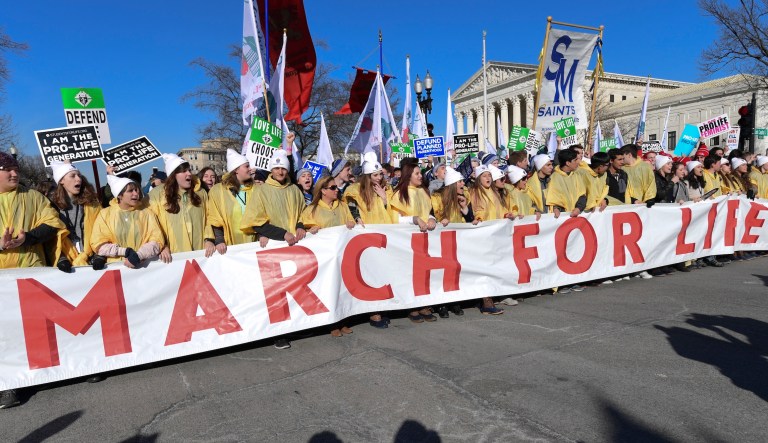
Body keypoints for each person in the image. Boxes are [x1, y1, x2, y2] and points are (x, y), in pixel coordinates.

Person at [0, 152, 66, 409]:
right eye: (7, 169)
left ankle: (43, 373)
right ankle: (8, 386)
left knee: (35, 329)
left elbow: (52, 224)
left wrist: (26, 238)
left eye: (16, 169)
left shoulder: (33, 197)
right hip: (1, 278)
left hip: (31, 271)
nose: (15, 173)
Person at [241, 149, 306, 350]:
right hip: (275, 245)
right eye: (276, 168)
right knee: (276, 291)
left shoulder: (294, 189)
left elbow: (303, 211)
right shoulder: (261, 190)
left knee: (295, 287)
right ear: (271, 169)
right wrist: (281, 234)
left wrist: (301, 225)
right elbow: (256, 221)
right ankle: (279, 333)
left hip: (294, 245)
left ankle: (296, 325)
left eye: (283, 168)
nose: (280, 171)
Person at [299, 175, 357, 337]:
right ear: (323, 191)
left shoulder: (343, 206)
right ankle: (332, 323)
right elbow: (305, 227)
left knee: (342, 288)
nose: (336, 189)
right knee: (328, 289)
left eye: (335, 187)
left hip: (342, 255)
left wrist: (351, 223)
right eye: (332, 188)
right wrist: (312, 229)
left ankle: (343, 319)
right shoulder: (312, 209)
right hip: (325, 259)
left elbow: (350, 222)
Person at [342, 153, 393, 327]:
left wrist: (385, 198)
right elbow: (350, 205)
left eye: (381, 174)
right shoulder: (355, 190)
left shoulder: (387, 189)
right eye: (375, 175)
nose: (379, 178)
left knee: (383, 272)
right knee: (370, 274)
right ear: (367, 176)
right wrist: (356, 218)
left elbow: (393, 210)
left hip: (385, 235)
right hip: (367, 236)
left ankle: (382, 307)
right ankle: (374, 313)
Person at [388, 161, 439, 323]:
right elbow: (395, 219)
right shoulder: (399, 194)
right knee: (408, 274)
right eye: (417, 173)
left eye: (420, 173)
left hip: (424, 239)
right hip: (406, 241)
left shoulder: (423, 191)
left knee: (423, 273)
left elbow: (428, 212)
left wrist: (431, 219)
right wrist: (414, 219)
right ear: (408, 176)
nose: (420, 176)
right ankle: (411, 306)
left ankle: (422, 302)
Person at [148, 154, 214, 263]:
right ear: (173, 175)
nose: (189, 173)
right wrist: (162, 245)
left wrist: (209, 239)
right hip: (172, 257)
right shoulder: (156, 195)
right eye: (184, 171)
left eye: (189, 170)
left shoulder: (200, 192)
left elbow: (209, 217)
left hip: (201, 254)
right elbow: (151, 224)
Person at [90, 174, 163, 269]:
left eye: (136, 190)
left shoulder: (147, 213)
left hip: (143, 267)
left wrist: (139, 255)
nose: (136, 194)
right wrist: (124, 251)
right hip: (116, 269)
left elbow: (157, 240)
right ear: (119, 195)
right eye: (130, 191)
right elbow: (98, 244)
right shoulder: (105, 214)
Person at [48, 161, 101, 270]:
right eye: (73, 176)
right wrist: (61, 258)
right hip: (66, 260)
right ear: (61, 180)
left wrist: (98, 255)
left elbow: (102, 230)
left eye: (79, 175)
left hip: (90, 258)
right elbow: (51, 239)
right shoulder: (51, 206)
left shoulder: (92, 204)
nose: (78, 179)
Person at [206, 150, 257, 252]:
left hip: (253, 244)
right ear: (236, 170)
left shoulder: (255, 188)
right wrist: (219, 240)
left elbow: (261, 216)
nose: (250, 169)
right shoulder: (218, 191)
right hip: (229, 247)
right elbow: (215, 218)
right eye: (246, 166)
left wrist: (261, 235)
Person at [548, 149, 587, 218]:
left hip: (577, 215)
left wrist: (578, 208)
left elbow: (582, 195)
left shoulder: (576, 175)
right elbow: (554, 199)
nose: (578, 162)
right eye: (575, 160)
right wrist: (557, 209)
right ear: (568, 163)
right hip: (563, 218)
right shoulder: (555, 177)